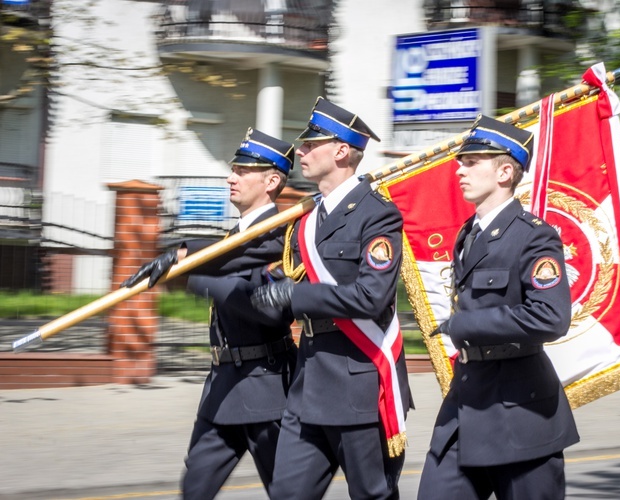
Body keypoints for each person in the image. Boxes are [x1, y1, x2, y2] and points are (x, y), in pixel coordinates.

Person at [121, 128, 297, 499]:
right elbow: (222, 258)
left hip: (266, 388)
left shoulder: (281, 238)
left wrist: (196, 279)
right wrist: (186, 260)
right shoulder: (232, 237)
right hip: (222, 386)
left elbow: (268, 309)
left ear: (271, 181)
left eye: (242, 171)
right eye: (233, 169)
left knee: (289, 492)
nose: (231, 177)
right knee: (195, 488)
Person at [250, 97, 412, 500]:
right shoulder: (306, 218)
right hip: (309, 384)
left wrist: (296, 294)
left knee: (372, 495)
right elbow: (248, 248)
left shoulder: (377, 214)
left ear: (341, 151)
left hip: (358, 380)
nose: (299, 150)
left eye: (309, 143)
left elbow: (371, 297)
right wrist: (184, 252)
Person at [417, 115, 580, 500]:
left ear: (505, 171)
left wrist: (467, 325)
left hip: (520, 413)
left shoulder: (534, 236)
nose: (460, 169)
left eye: (472, 162)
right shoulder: (468, 234)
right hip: (467, 403)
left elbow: (551, 317)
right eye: (461, 161)